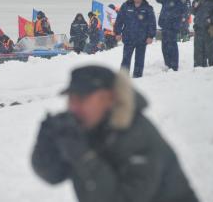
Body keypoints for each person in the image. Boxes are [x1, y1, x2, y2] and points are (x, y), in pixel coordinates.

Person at [31, 65, 199, 202]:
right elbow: (54, 175)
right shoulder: (86, 127)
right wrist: (45, 142)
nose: (73, 108)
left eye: (81, 99)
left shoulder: (138, 135)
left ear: (109, 98)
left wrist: (84, 157)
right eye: (71, 100)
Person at [114, 0, 156, 78]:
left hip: (142, 39)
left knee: (139, 60)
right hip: (128, 38)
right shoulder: (126, 5)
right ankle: (123, 78)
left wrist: (151, 36)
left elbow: (152, 23)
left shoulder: (148, 8)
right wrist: (117, 32)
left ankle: (137, 77)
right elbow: (119, 20)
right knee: (126, 59)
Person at [154, 0, 190, 71]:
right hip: (165, 24)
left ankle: (174, 66)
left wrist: (181, 22)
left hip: (174, 25)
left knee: (172, 45)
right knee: (164, 45)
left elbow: (186, 10)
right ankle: (167, 64)